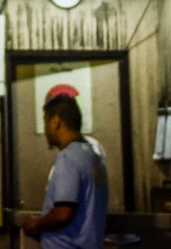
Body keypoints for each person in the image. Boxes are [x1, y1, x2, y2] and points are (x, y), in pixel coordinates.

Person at [23, 93, 108, 249]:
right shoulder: (93, 156)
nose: (45, 130)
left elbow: (63, 214)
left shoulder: (68, 158)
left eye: (46, 122)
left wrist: (35, 223)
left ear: (55, 122)